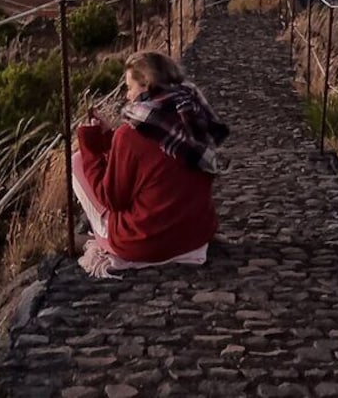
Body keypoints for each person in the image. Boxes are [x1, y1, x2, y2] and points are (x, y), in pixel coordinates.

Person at [73, 51, 229, 276]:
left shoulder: (130, 134)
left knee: (77, 162)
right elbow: (155, 158)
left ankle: (102, 236)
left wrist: (91, 148)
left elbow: (112, 199)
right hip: (195, 234)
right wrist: (111, 138)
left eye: (129, 87)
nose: (127, 96)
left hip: (145, 242)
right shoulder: (193, 114)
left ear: (145, 84)